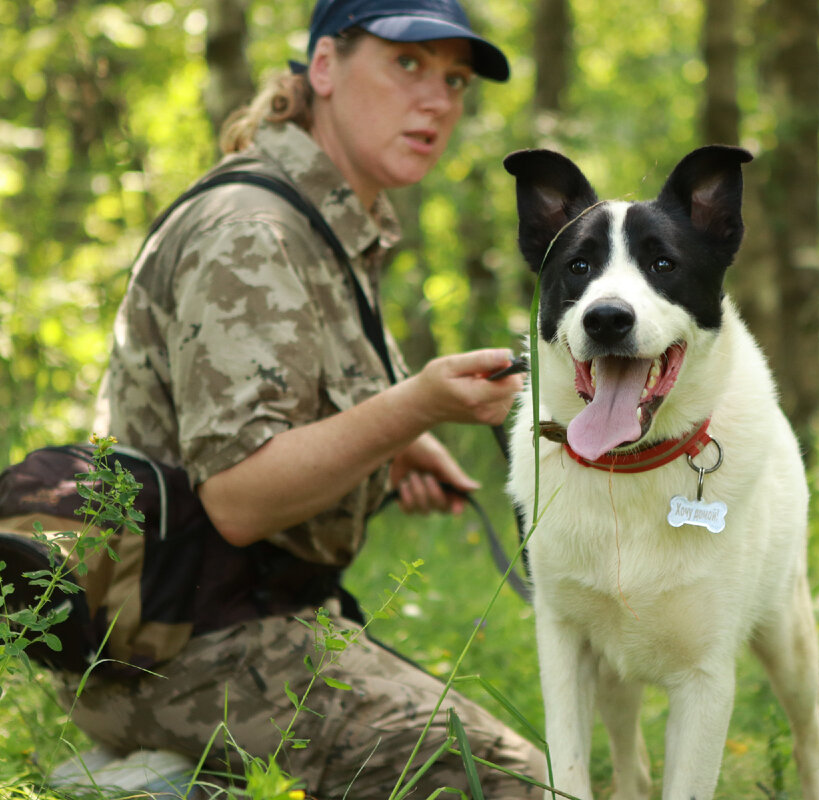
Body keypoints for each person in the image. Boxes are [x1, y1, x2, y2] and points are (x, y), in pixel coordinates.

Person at [57, 0, 545, 797]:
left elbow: (310, 413)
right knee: (511, 782)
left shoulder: (329, 225)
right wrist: (413, 410)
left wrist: (394, 444)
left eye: (456, 80)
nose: (438, 101)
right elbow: (240, 501)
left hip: (244, 623)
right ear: (323, 68)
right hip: (184, 654)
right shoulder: (254, 230)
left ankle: (175, 780)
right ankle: (164, 781)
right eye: (408, 63)